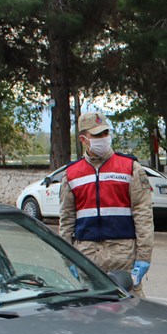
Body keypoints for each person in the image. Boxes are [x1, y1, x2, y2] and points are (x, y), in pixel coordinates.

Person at [59, 111, 154, 293]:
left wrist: (144, 257)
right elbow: (66, 221)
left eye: (105, 133)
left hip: (122, 257)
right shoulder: (71, 174)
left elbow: (143, 216)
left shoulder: (130, 168)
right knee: (90, 317)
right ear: (83, 139)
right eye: (96, 135)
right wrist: (67, 258)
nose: (103, 138)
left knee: (130, 316)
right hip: (87, 258)